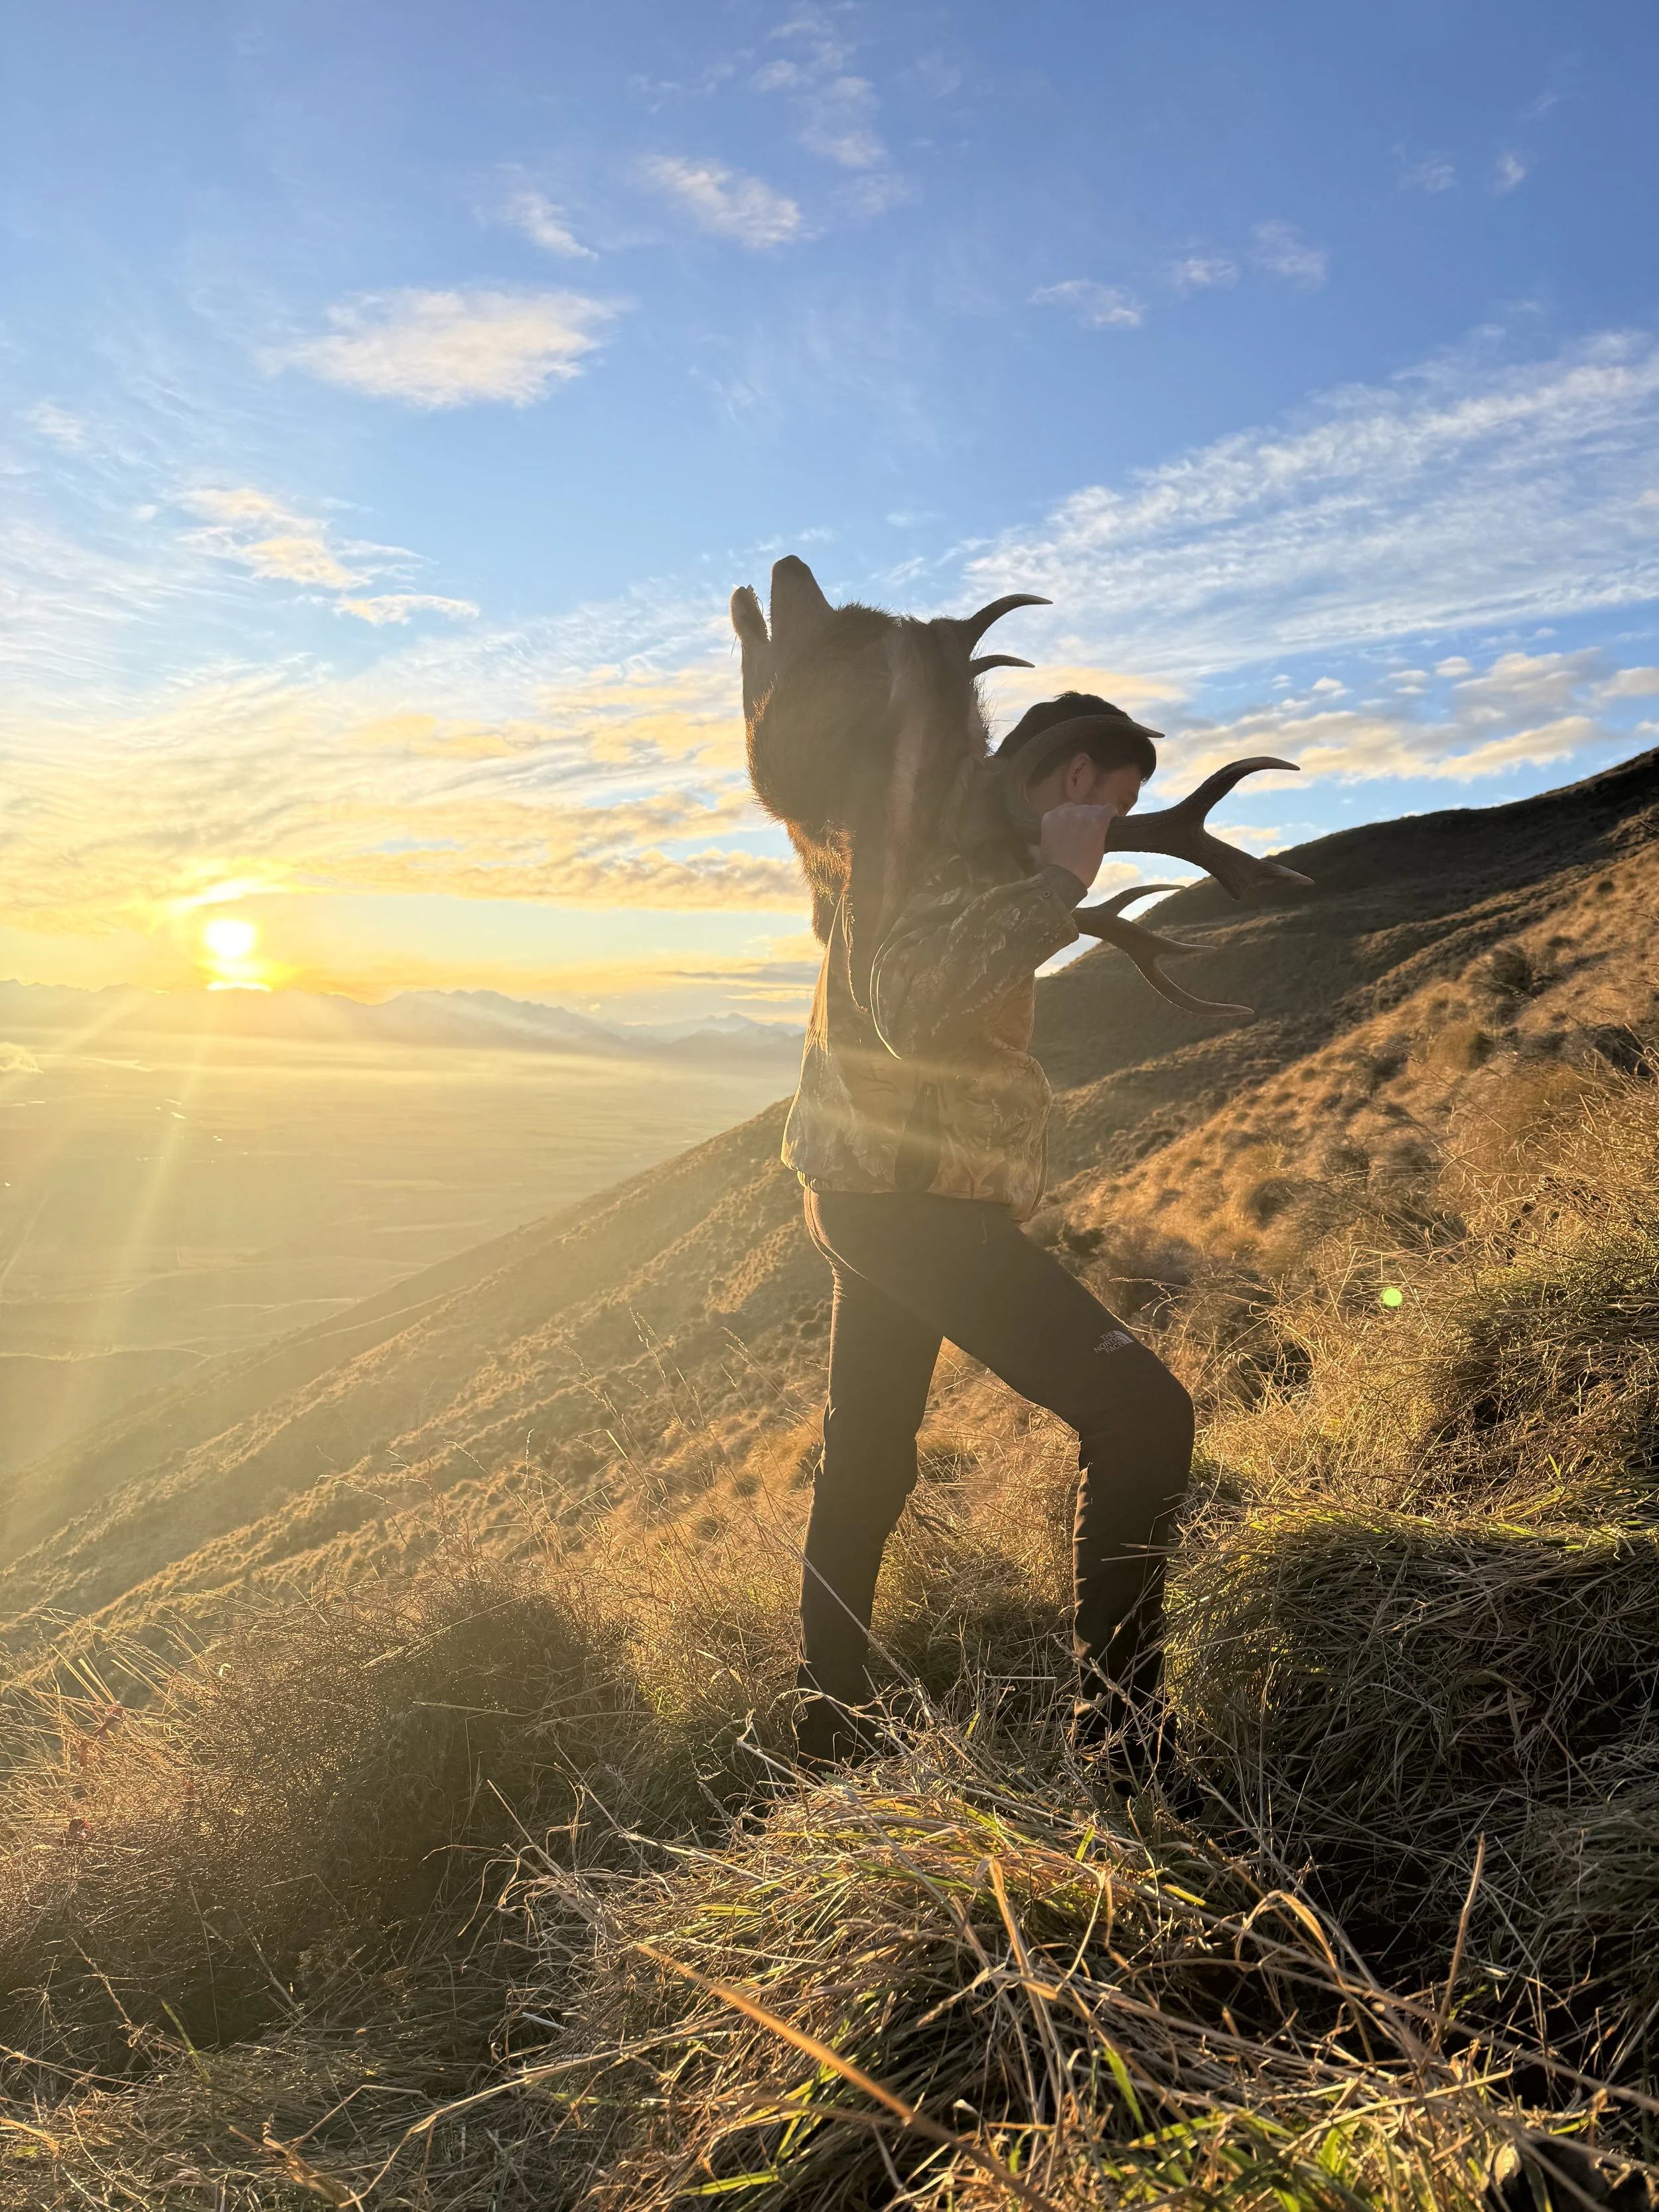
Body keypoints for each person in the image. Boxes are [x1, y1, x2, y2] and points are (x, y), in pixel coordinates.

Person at [783, 691, 1196, 1772]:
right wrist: (1060, 883)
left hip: (885, 1195)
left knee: (866, 1458)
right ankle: (1122, 1740)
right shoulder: (928, 845)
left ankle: (825, 1728)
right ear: (1074, 781)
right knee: (1144, 1413)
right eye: (1114, 802)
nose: (1112, 824)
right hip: (908, 1208)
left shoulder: (946, 844)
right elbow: (912, 1009)